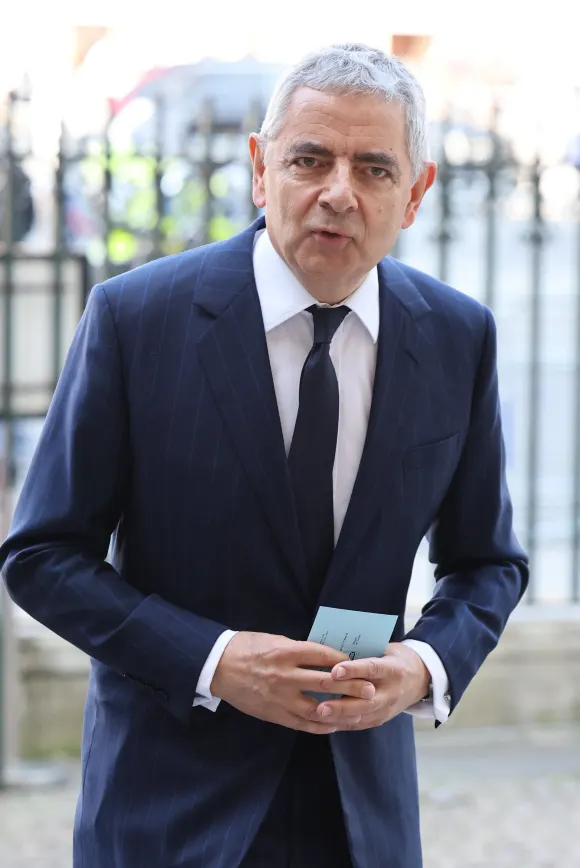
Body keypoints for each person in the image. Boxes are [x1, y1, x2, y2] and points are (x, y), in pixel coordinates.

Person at [0, 44, 528, 868]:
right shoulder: (136, 320)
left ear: (416, 193)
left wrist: (422, 667)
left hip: (362, 817)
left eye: (375, 169)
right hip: (170, 812)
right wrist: (213, 661)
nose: (338, 193)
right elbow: (40, 556)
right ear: (259, 168)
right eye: (309, 159)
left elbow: (488, 563)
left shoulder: (460, 338)